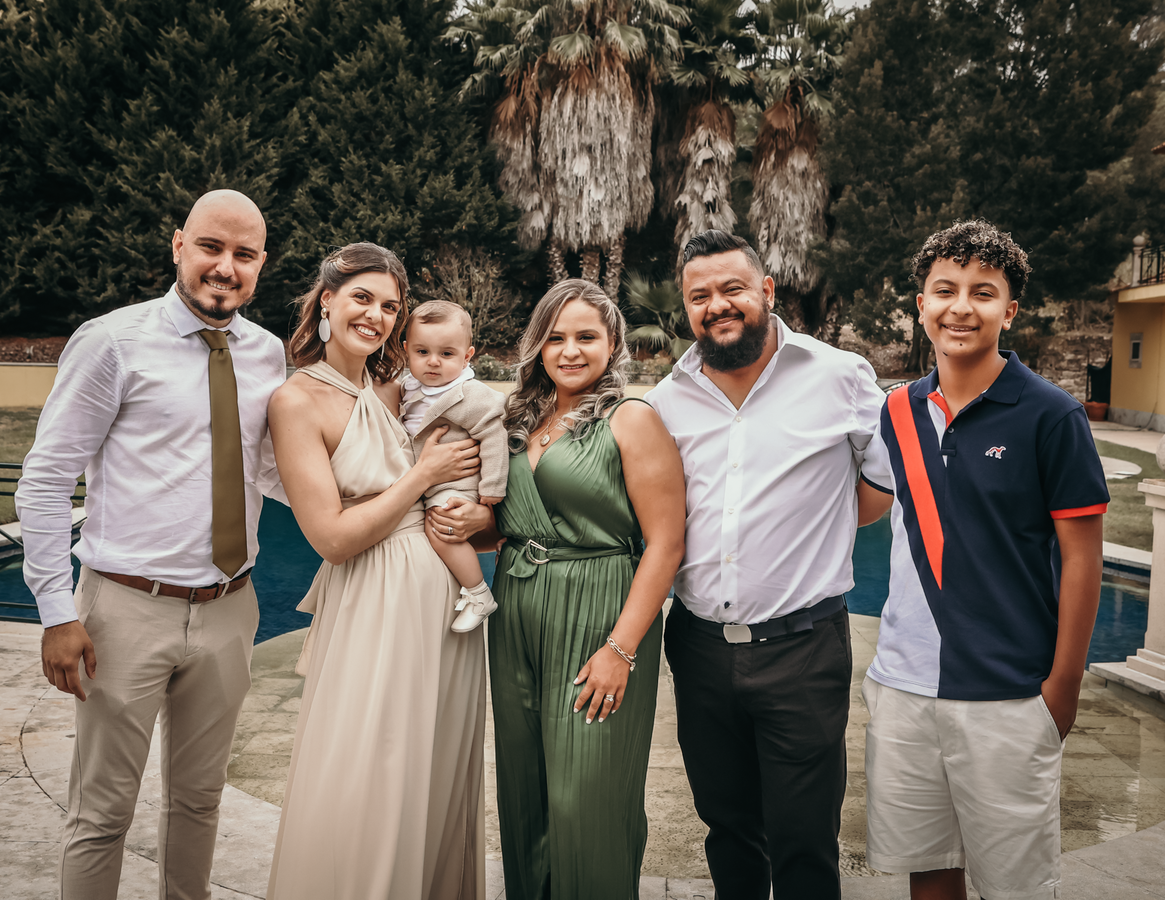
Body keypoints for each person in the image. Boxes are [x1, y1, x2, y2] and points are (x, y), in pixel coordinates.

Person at [14, 189, 286, 900]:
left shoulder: (268, 355)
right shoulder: (111, 341)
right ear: (178, 246)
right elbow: (45, 479)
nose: (225, 267)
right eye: (211, 248)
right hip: (124, 610)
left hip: (232, 608)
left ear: (261, 265)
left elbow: (270, 473)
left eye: (244, 254)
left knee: (199, 802)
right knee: (102, 814)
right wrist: (55, 613)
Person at [855, 221, 1108, 900]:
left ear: (1009, 309)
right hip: (905, 688)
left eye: (982, 292)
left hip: (1009, 695)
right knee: (928, 871)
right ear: (920, 303)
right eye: (945, 289)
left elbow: (1083, 560)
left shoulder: (1052, 416)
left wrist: (1062, 689)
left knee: (1016, 887)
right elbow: (860, 509)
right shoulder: (896, 412)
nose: (961, 307)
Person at [645, 229, 887, 899]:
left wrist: (819, 524)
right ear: (686, 308)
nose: (718, 305)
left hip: (803, 649)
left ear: (767, 291)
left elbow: (879, 489)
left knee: (805, 838)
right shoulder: (669, 398)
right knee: (727, 827)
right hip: (698, 648)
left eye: (732, 289)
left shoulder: (840, 375)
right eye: (700, 296)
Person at [446, 279, 685, 900]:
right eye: (555, 337)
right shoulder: (517, 419)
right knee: (526, 790)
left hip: (600, 611)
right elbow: (510, 519)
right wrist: (481, 525)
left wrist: (623, 648)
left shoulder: (632, 419)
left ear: (613, 344)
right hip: (520, 609)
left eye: (586, 336)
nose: (570, 350)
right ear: (537, 346)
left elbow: (665, 545)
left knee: (587, 797)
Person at [265, 242, 486, 900]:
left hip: (445, 606)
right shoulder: (296, 401)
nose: (377, 316)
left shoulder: (400, 387)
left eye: (391, 306)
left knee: (436, 766)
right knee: (369, 768)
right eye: (362, 297)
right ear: (326, 298)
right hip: (373, 603)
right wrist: (423, 475)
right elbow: (331, 537)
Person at [401, 300, 508, 632]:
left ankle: (478, 592)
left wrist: (492, 487)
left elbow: (494, 434)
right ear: (407, 351)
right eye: (422, 352)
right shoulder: (407, 387)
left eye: (447, 354)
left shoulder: (469, 395)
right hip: (425, 480)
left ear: (467, 356)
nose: (433, 362)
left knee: (441, 530)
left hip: (455, 484)